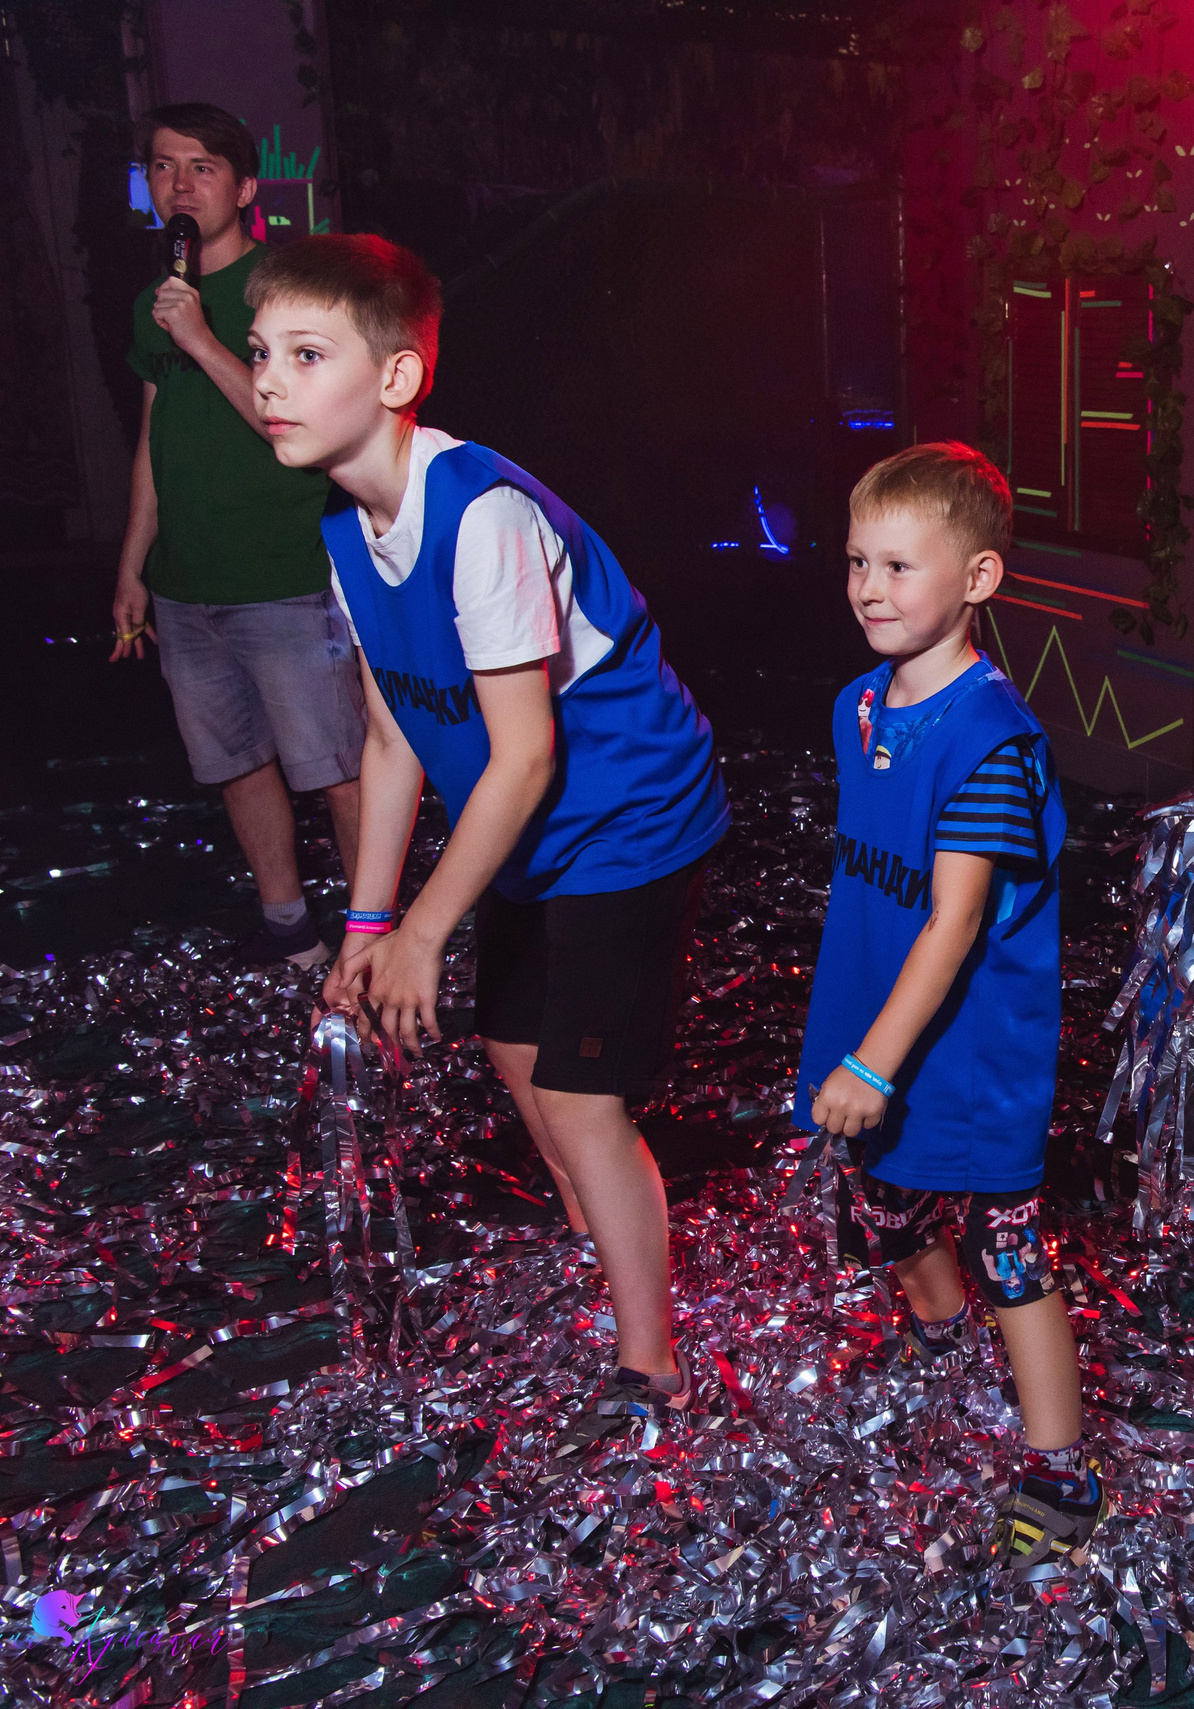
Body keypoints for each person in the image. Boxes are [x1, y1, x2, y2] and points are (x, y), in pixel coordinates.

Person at [250, 235, 731, 1435]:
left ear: (399, 378)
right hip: (525, 826)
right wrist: (367, 924)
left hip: (624, 817)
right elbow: (395, 735)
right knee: (515, 1049)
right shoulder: (343, 528)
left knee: (580, 1099)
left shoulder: (480, 514)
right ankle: (600, 1233)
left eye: (307, 355)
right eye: (261, 353)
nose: (267, 381)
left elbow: (524, 754)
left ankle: (651, 1364)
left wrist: (425, 926)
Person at [794, 442, 1098, 1568]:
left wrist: (871, 1066)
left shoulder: (990, 744)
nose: (869, 587)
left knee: (1009, 1249)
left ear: (976, 579)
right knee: (880, 1213)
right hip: (873, 1016)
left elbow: (954, 921)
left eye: (899, 566)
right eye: (856, 561)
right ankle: (940, 1336)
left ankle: (1063, 1467)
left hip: (968, 1051)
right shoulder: (859, 703)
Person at [112, 103, 364, 968]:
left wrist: (201, 334)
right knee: (236, 763)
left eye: (201, 167)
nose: (177, 185)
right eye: (162, 167)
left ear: (246, 187)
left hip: (284, 574)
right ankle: (290, 930)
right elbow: (156, 431)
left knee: (334, 767)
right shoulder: (155, 301)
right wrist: (134, 563)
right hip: (187, 586)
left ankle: (372, 936)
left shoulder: (284, 291)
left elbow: (283, 421)